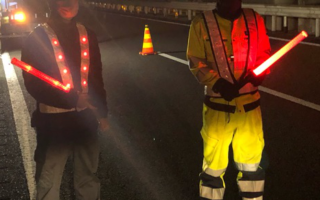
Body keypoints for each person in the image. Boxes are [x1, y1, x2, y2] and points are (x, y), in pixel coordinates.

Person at [21, 0, 109, 199]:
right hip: (54, 124)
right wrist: (70, 100)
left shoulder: (88, 34)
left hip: (86, 120)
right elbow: (34, 84)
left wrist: (102, 113)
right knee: (48, 180)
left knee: (87, 176)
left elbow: (96, 77)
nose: (67, 3)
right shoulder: (37, 38)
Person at [187, 0, 271, 199]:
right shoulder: (201, 23)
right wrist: (217, 83)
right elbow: (195, 60)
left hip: (249, 109)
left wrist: (261, 71)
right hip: (218, 109)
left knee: (252, 167)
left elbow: (264, 53)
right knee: (213, 168)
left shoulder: (254, 19)